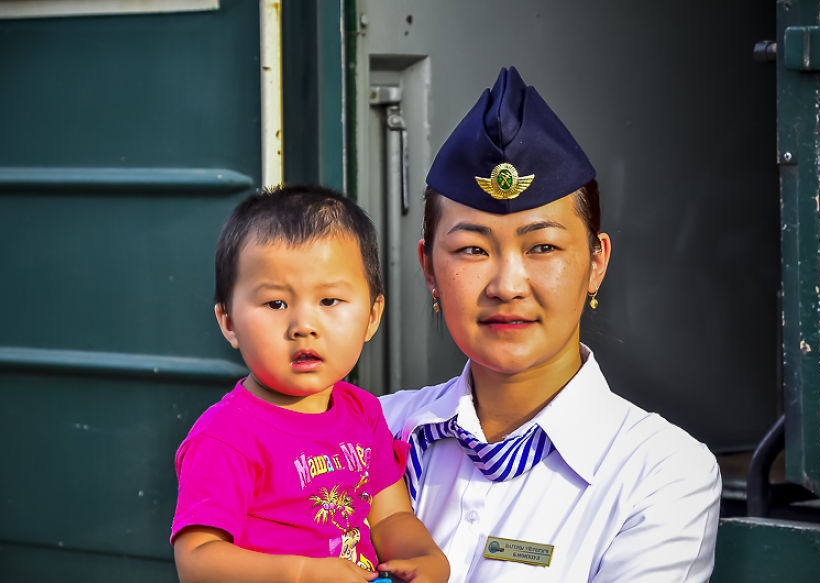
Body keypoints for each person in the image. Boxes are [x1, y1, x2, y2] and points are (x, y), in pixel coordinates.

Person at [380, 67, 721, 582]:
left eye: (543, 247)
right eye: (472, 249)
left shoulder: (659, 472)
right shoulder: (364, 434)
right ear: (429, 267)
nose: (507, 285)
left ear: (596, 262)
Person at [171, 185, 450, 583]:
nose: (304, 326)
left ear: (372, 316)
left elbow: (391, 514)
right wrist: (301, 573)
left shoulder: (363, 413)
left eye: (329, 301)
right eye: (276, 304)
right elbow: (197, 561)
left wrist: (423, 556)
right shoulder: (225, 437)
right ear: (229, 322)